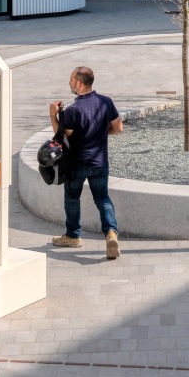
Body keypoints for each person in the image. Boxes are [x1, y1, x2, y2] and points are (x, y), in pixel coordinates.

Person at [49, 66, 124, 260]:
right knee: (103, 198)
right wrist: (99, 133)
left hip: (77, 164)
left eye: (72, 80)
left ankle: (73, 236)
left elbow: (61, 137)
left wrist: (53, 115)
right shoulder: (106, 102)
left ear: (80, 83)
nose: (69, 83)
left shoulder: (73, 111)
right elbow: (118, 128)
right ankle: (111, 234)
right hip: (100, 162)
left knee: (72, 198)